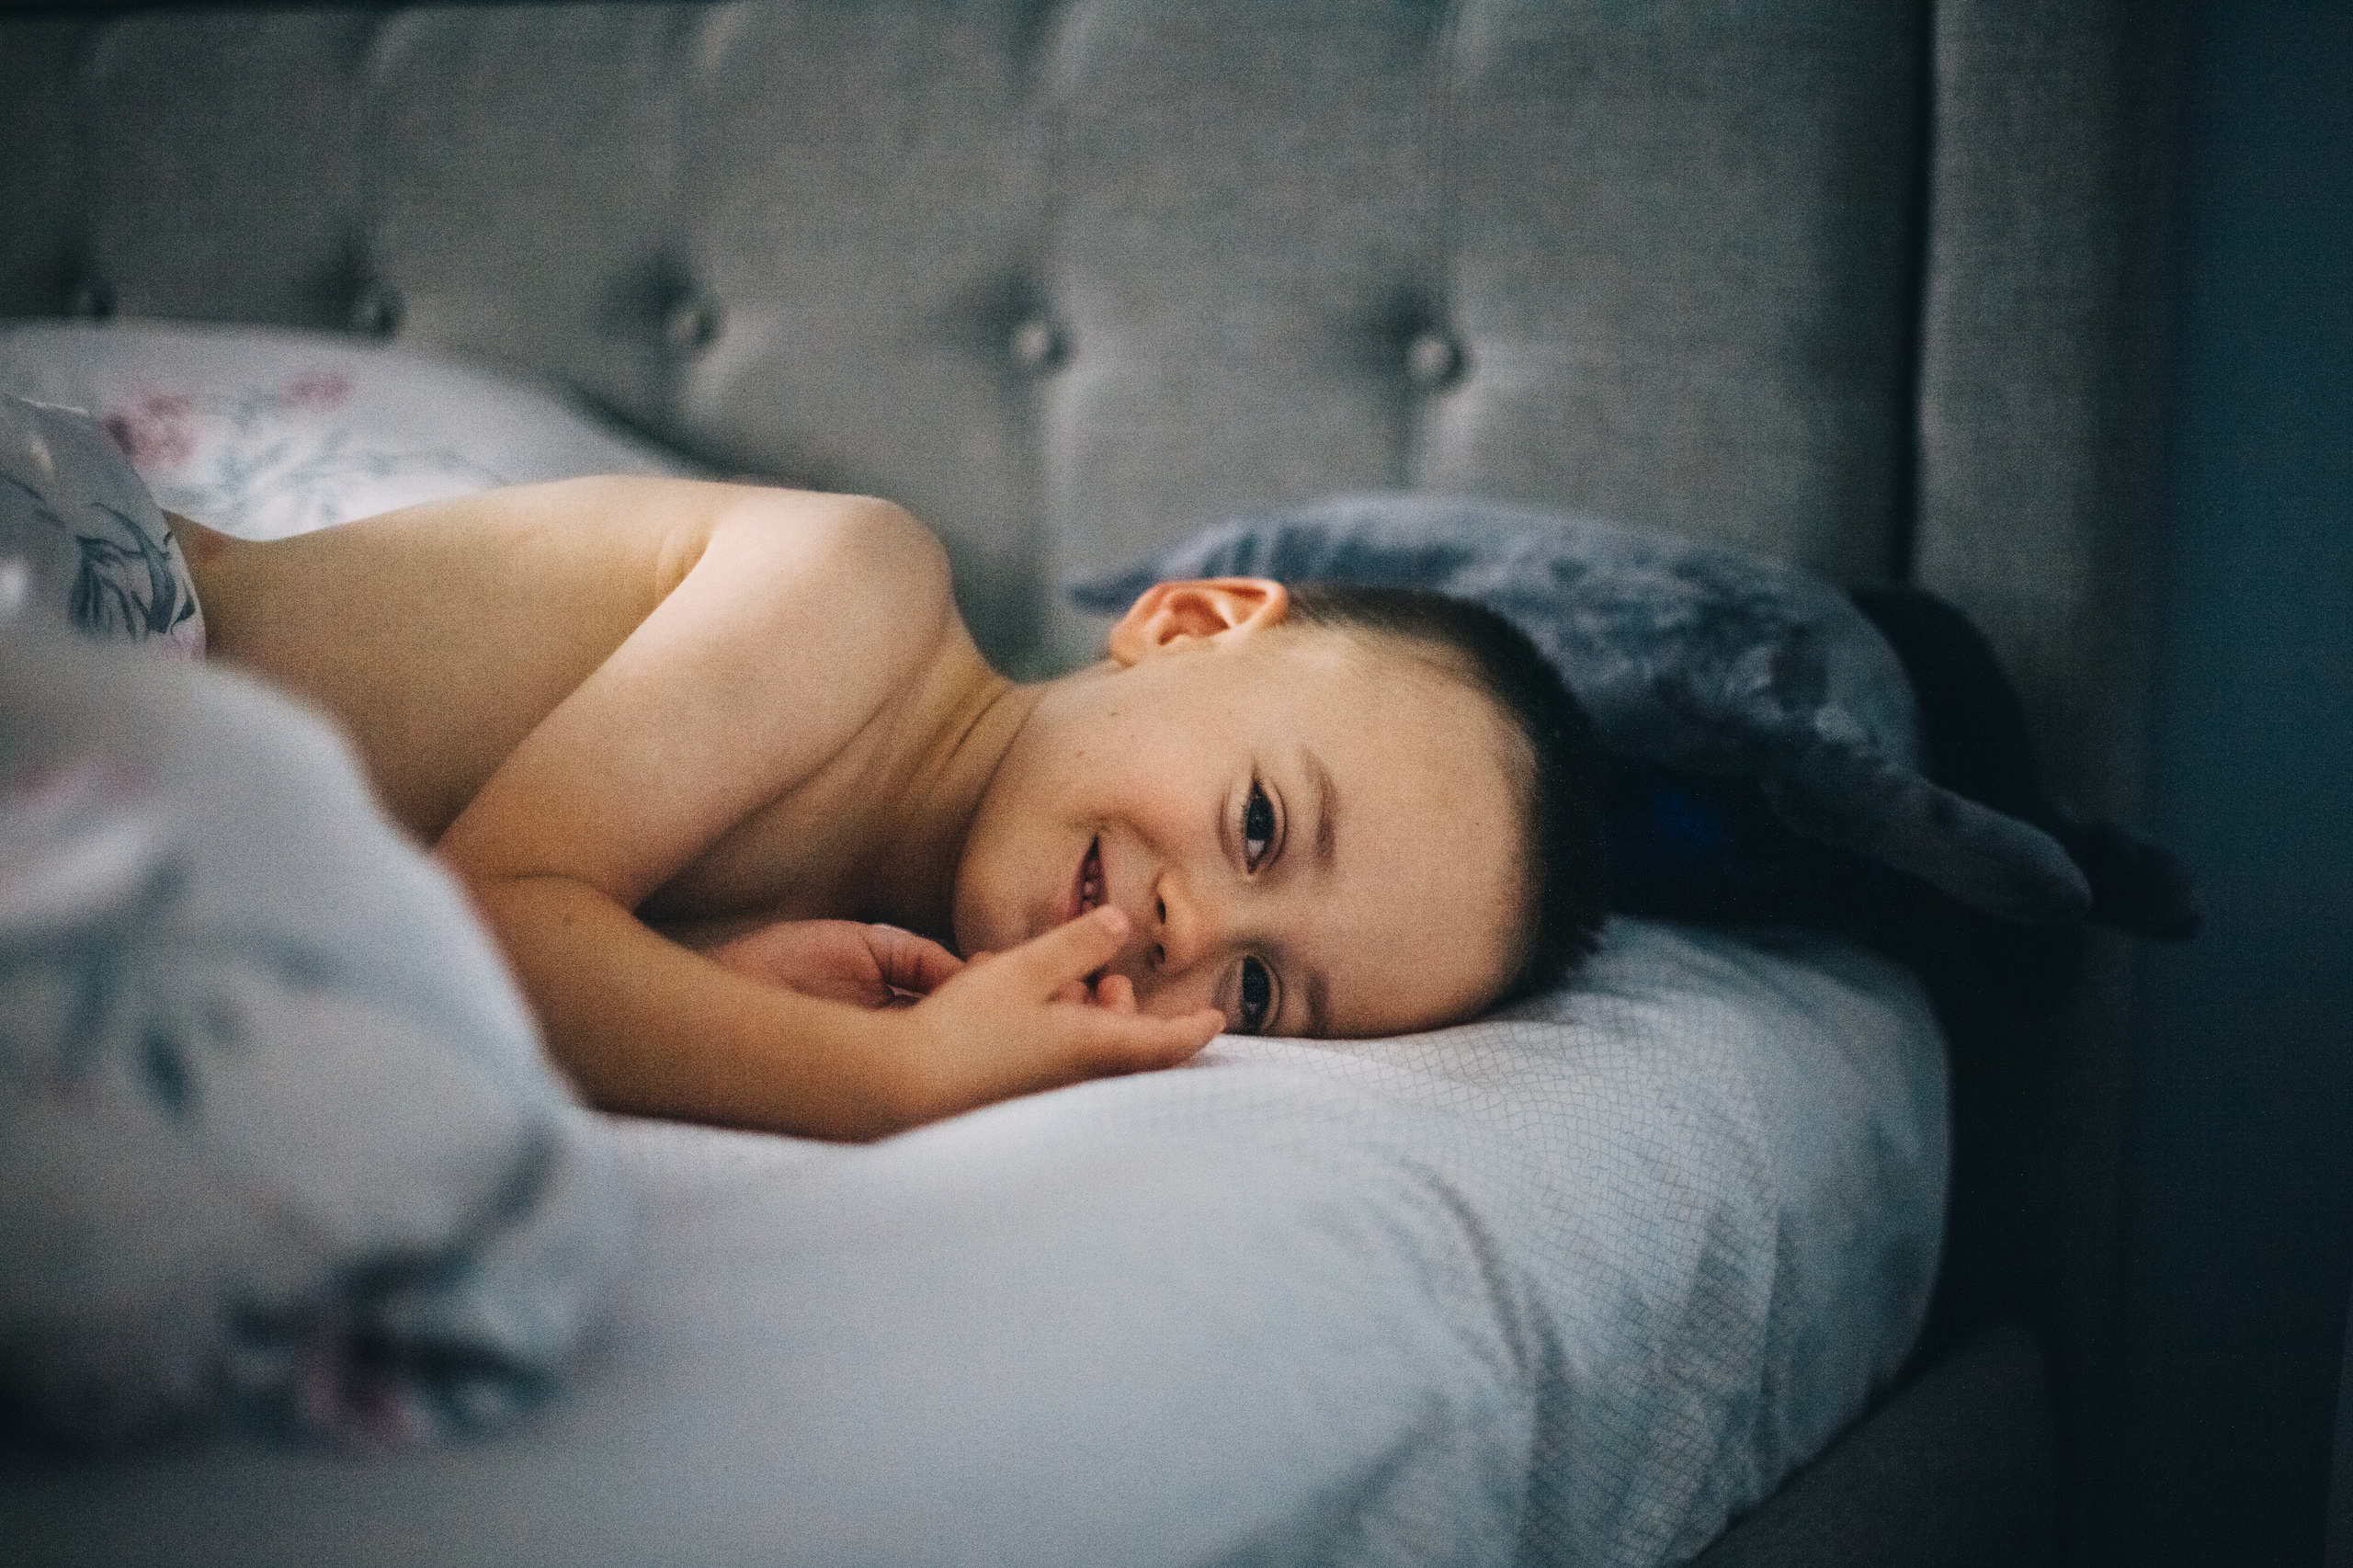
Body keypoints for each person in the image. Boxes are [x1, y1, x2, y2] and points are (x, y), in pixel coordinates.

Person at [161, 476, 1608, 1139]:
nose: (1191, 927)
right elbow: (485, 922)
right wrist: (887, 1083)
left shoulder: (850, 950)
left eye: (1262, 987)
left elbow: (516, 982)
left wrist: (713, 996)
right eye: (1260, 830)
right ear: (1187, 624)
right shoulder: (862, 590)